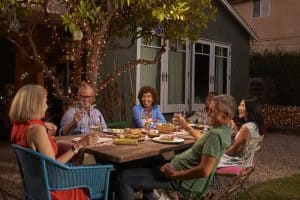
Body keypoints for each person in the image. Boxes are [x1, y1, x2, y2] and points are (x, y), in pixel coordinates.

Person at [116, 94, 236, 200]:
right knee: (149, 161)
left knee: (124, 178)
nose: (208, 114)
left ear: (226, 115)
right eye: (209, 110)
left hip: (181, 180)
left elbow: (205, 171)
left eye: (213, 111)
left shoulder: (215, 135)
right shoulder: (224, 130)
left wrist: (175, 175)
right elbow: (205, 143)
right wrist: (188, 127)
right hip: (179, 172)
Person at [9, 84, 99, 200]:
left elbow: (38, 152)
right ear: (35, 104)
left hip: (36, 185)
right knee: (101, 176)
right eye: (45, 102)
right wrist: (79, 145)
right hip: (54, 188)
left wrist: (48, 135)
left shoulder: (18, 126)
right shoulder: (36, 129)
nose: (47, 107)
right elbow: (54, 165)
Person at [218, 96, 264, 167]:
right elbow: (244, 141)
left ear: (250, 109)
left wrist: (219, 154)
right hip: (247, 160)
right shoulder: (254, 125)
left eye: (243, 106)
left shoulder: (246, 127)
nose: (239, 108)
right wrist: (237, 132)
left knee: (208, 159)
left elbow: (233, 150)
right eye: (240, 105)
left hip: (239, 162)